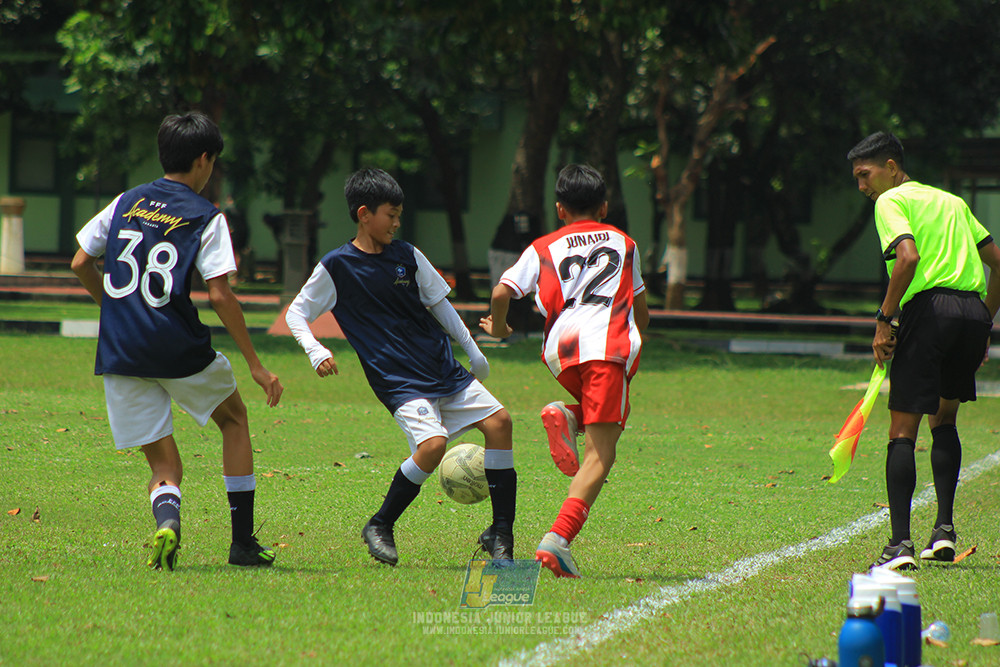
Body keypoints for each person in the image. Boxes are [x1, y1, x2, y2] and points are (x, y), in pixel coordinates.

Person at [71, 112, 284, 571]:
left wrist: (115, 309)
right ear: (204, 160)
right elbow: (220, 295)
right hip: (177, 347)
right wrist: (255, 363)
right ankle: (242, 543)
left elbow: (80, 262)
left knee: (164, 466)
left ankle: (167, 522)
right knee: (234, 419)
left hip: (121, 350)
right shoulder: (206, 216)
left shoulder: (126, 200)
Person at [285, 167, 517, 566]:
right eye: (390, 214)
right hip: (399, 380)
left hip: (440, 366)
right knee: (434, 446)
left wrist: (472, 348)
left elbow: (439, 304)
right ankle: (380, 524)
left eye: (398, 215)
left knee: (501, 424)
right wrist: (314, 350)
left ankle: (501, 536)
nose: (396, 222)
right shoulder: (337, 266)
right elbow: (296, 313)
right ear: (364, 214)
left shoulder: (407, 255)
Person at [480, 164, 649, 578]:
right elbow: (640, 308)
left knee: (596, 425)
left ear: (559, 209)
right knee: (601, 455)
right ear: (605, 206)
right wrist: (631, 345)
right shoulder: (624, 242)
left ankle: (570, 414)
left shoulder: (543, 246)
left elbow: (502, 291)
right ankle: (558, 540)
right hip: (606, 347)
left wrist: (500, 327)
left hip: (561, 349)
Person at [847, 131, 1000, 570]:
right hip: (971, 311)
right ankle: (944, 532)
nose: (862, 187)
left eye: (865, 175)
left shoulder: (890, 201)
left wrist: (884, 319)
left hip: (929, 311)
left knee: (902, 430)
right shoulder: (953, 202)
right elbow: (998, 264)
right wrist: (984, 321)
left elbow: (908, 258)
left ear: (891, 167)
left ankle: (899, 545)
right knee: (945, 419)